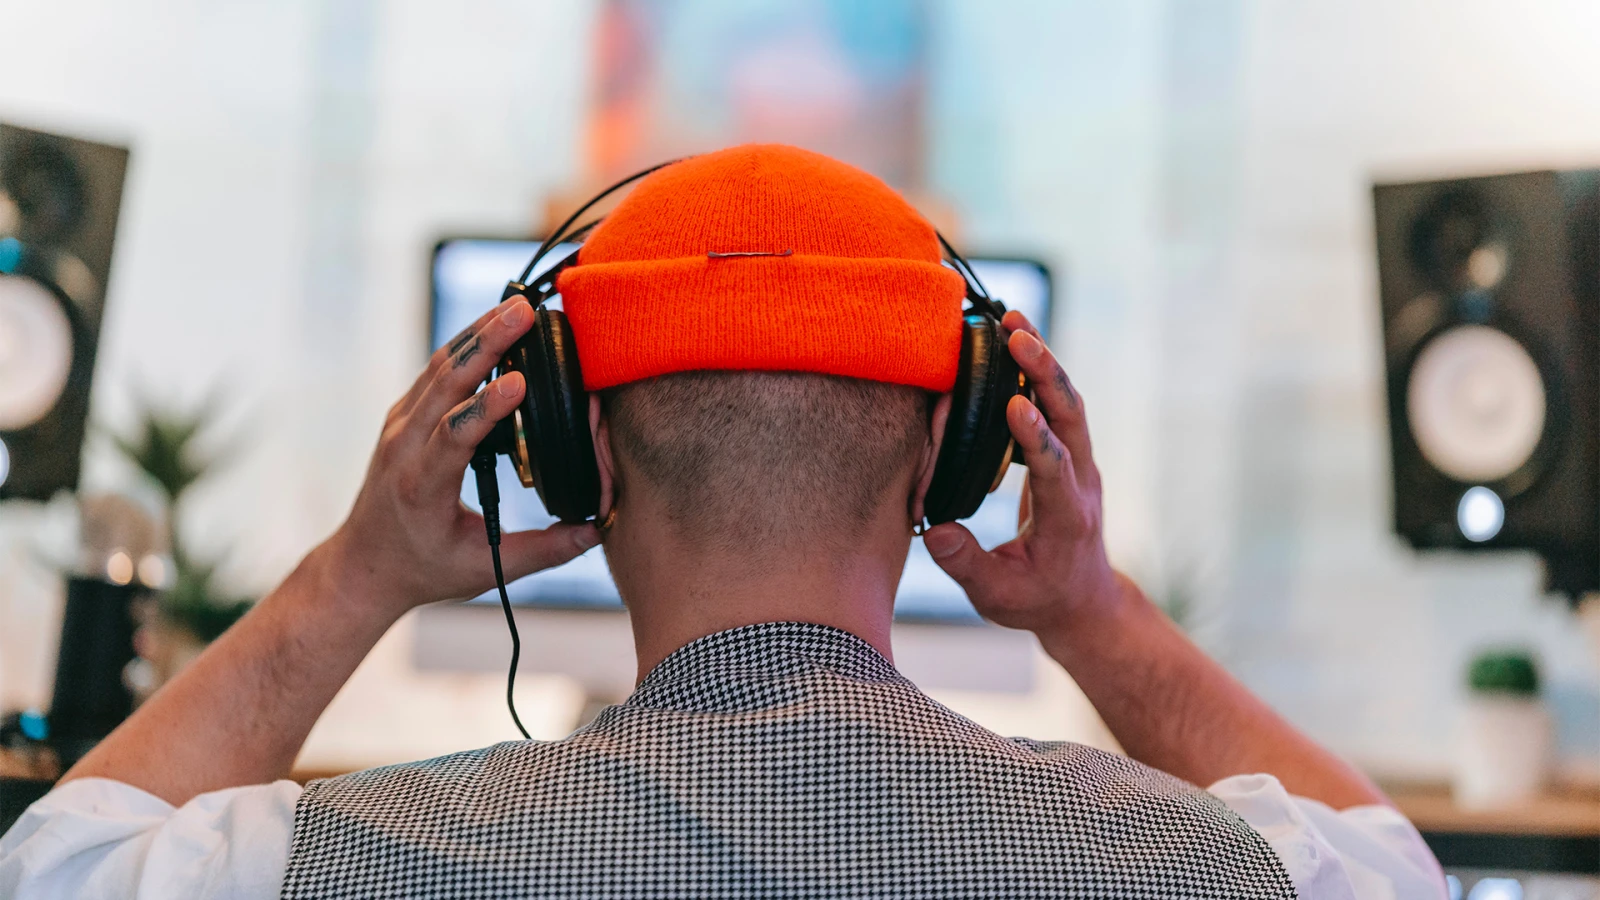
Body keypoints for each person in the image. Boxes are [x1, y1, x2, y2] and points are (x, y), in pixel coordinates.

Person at [0, 144, 1444, 899]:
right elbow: (1397, 872)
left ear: (577, 455)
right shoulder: (1207, 870)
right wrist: (1095, 615)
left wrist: (352, 578)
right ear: (947, 455)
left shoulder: (345, 862)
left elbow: (56, 866)